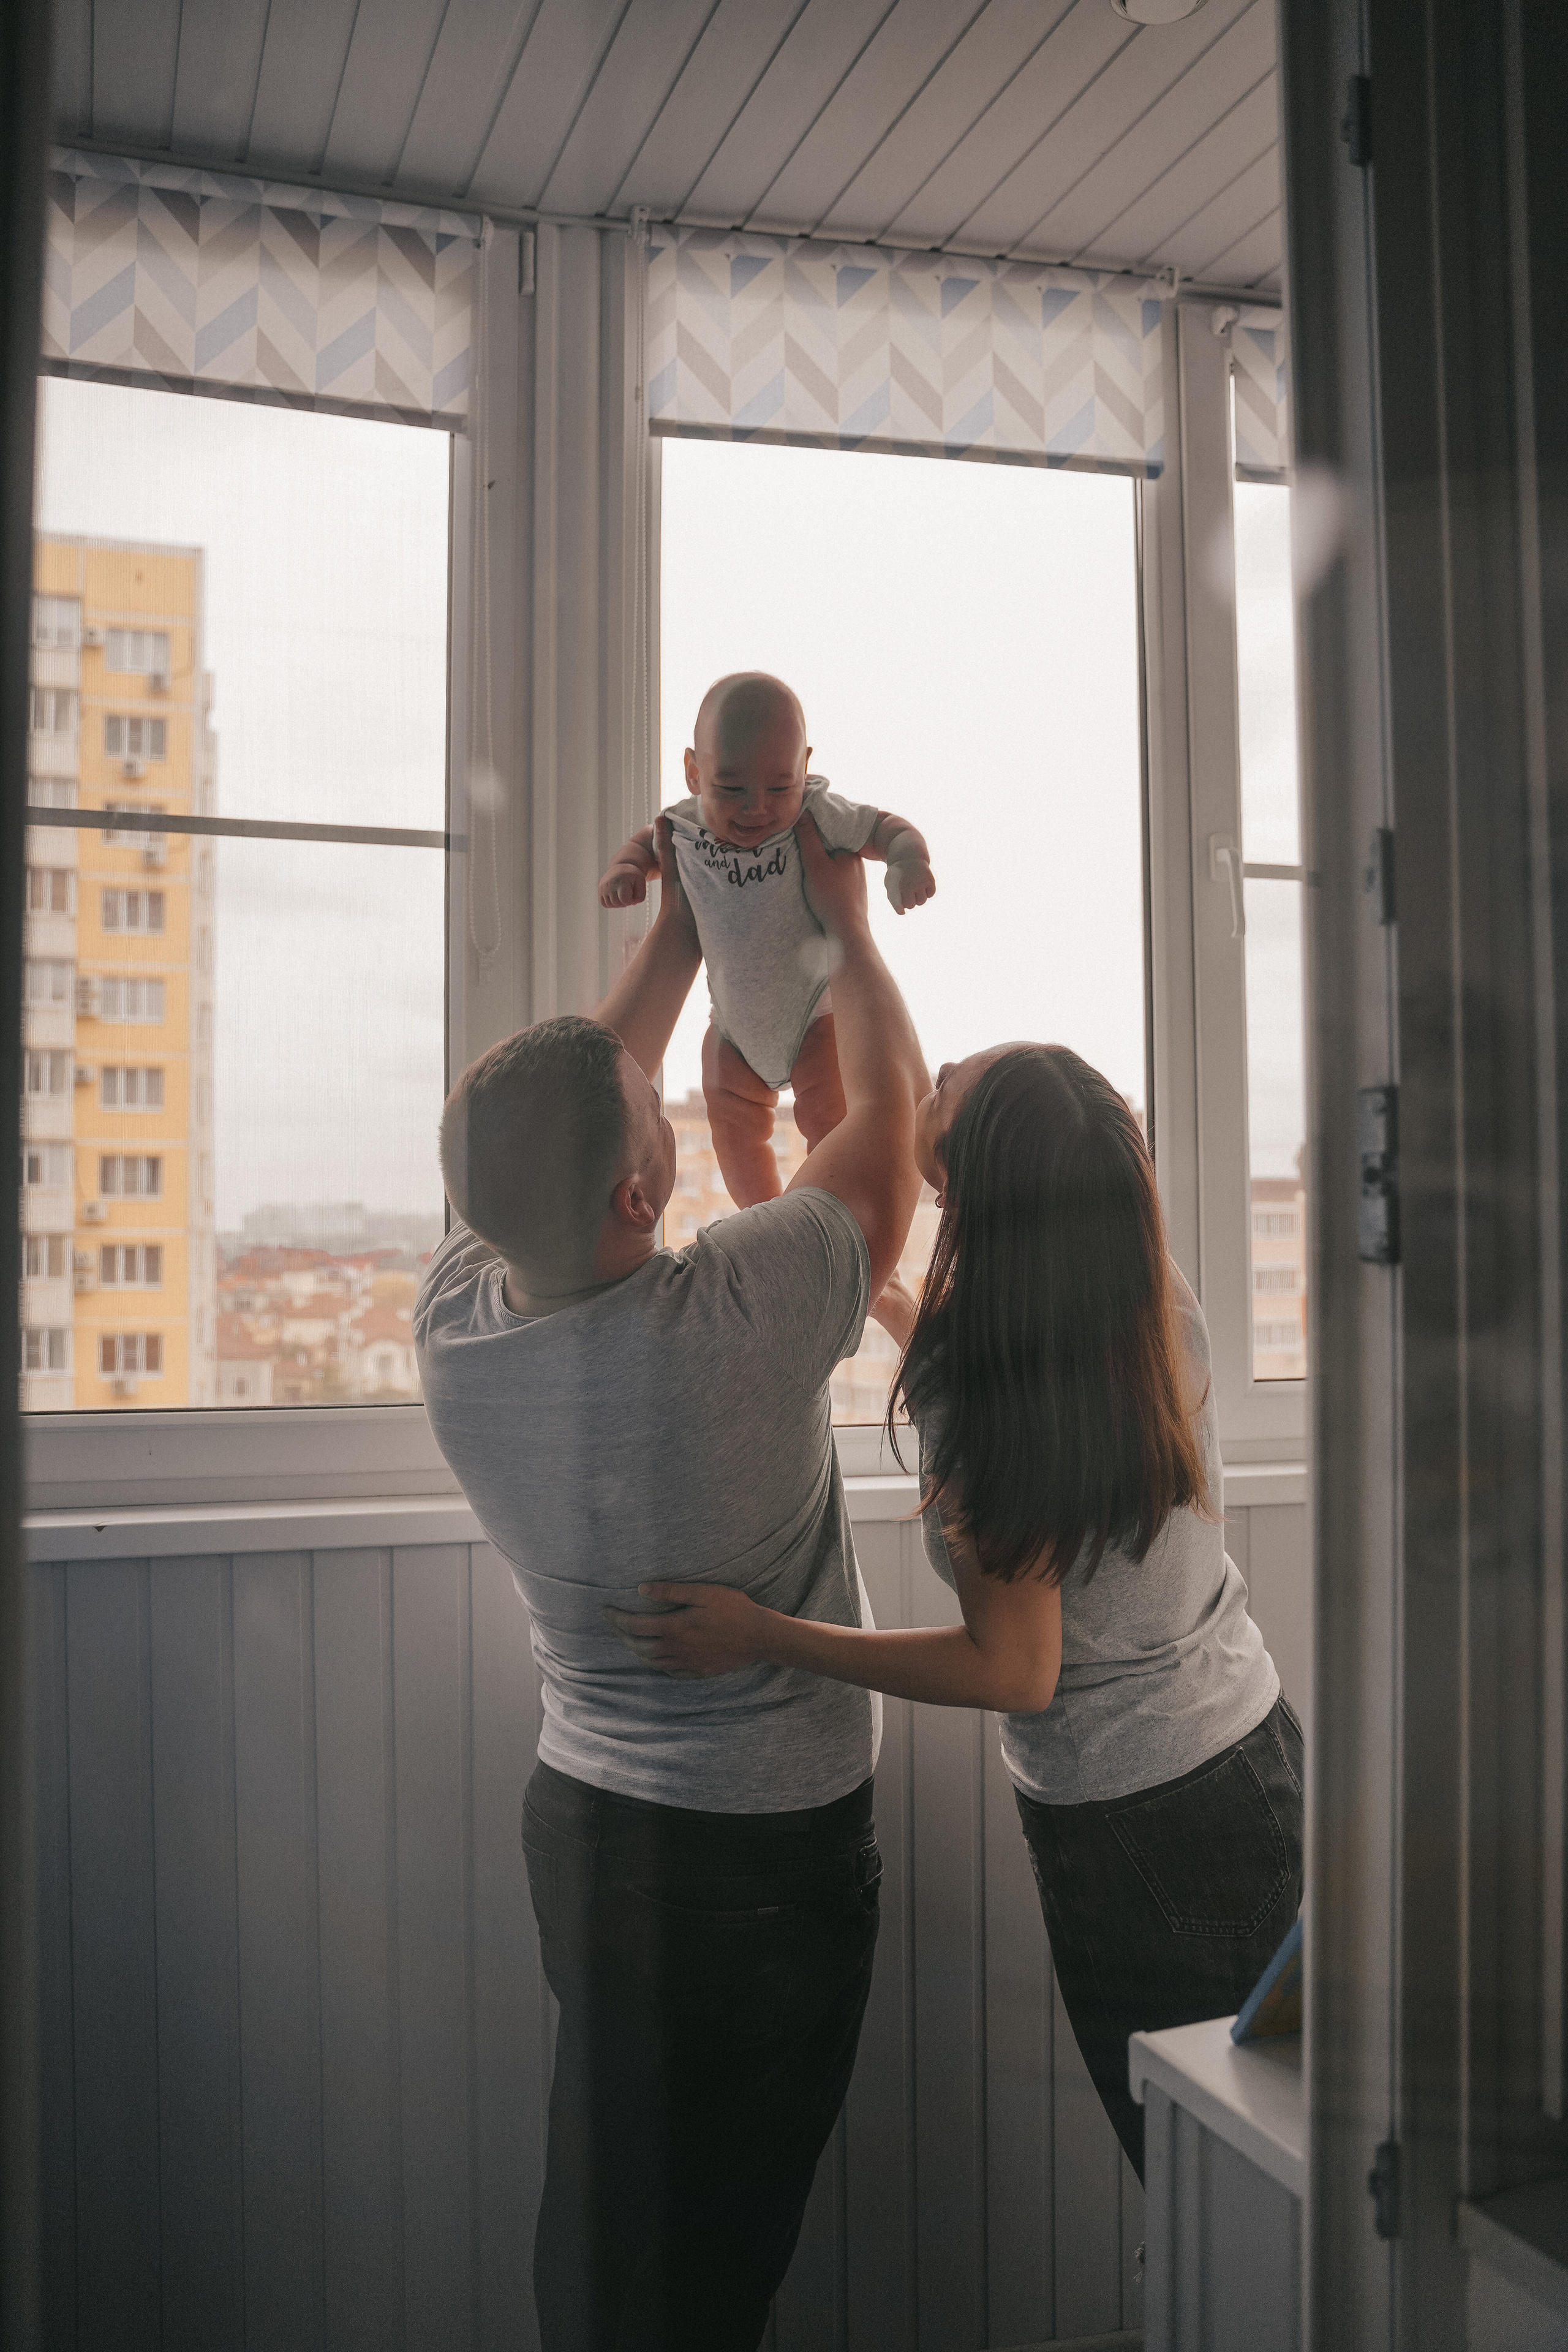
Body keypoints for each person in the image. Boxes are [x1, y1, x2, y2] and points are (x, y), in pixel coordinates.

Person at [610, 1040, 1303, 2182]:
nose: (927, 1078)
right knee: (1277, 2172)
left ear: (974, 1189)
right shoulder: (1141, 1289)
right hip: (1257, 1759)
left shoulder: (977, 1391)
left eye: (944, 1090)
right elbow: (1007, 1337)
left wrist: (763, 1634)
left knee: (1206, 2182)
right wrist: (870, 1260)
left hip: (1143, 1831)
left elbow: (1015, 1670)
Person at [414, 810, 929, 2350]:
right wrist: (845, 928)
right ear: (641, 1198)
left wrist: (683, 932)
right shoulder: (730, 1320)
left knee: (605, 2202)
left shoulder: (456, 1321)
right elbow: (889, 1128)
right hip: (757, 1858)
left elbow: (563, 1116)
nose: (664, 1097)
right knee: (715, 2251)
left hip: (584, 1821)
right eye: (658, 1118)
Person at [597, 671, 936, 1207]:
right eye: (731, 788)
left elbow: (885, 827)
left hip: (815, 1016)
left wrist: (908, 860)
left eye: (780, 787)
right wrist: (628, 870)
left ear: (805, 767)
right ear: (693, 772)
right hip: (733, 1026)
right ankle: (762, 1216)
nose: (756, 806)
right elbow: (645, 845)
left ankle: (825, 1209)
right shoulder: (685, 827)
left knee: (833, 1121)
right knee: (731, 1127)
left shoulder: (817, 812)